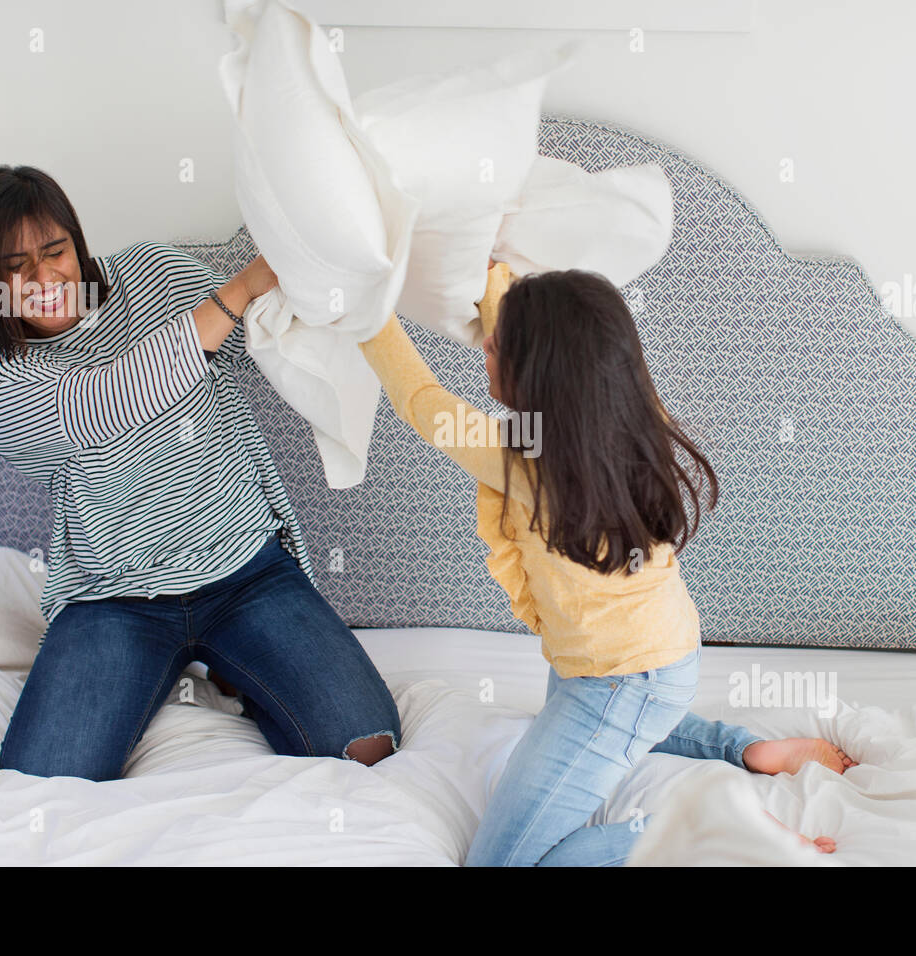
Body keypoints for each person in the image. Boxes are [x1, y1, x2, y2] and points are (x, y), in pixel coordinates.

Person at [357, 261, 855, 865]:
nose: (482, 344)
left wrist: (365, 307)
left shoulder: (528, 467)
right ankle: (748, 752)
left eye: (498, 345)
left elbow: (422, 401)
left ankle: (720, 829)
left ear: (539, 380)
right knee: (623, 719)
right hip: (642, 664)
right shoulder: (629, 420)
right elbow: (556, 354)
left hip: (621, 681)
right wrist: (493, 286)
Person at [0, 165, 398, 780]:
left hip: (244, 570)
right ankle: (185, 662)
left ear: (76, 241)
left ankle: (235, 665)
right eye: (16, 265)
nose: (46, 277)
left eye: (55, 251)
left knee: (366, 746)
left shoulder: (154, 273)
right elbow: (104, 404)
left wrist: (313, 261)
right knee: (43, 780)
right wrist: (237, 290)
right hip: (114, 599)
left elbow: (259, 343)